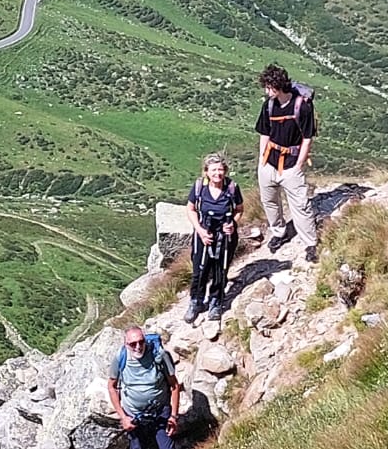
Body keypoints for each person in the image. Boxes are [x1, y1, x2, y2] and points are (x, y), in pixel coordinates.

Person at [255, 64, 317, 263]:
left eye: (269, 87)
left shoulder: (302, 107)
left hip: (291, 164)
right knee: (269, 201)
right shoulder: (269, 106)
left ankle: (310, 243)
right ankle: (279, 232)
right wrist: (262, 160)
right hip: (269, 162)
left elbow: (307, 138)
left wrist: (299, 165)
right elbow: (264, 133)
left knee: (300, 205)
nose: (267, 92)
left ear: (278, 86)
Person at [184, 154, 243, 323]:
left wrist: (232, 223)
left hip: (225, 236)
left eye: (221, 169)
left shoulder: (231, 188)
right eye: (213, 170)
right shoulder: (199, 188)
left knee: (220, 269)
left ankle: (216, 301)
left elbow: (239, 209)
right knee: (199, 269)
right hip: (203, 233)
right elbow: (190, 209)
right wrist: (200, 230)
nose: (218, 173)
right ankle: (196, 301)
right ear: (206, 172)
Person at [106, 326, 181, 449]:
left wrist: (173, 416)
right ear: (126, 344)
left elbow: (174, 385)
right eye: (133, 344)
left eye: (141, 342)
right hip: (133, 415)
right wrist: (123, 417)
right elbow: (111, 386)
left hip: (160, 412)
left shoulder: (159, 355)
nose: (138, 347)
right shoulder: (121, 357)